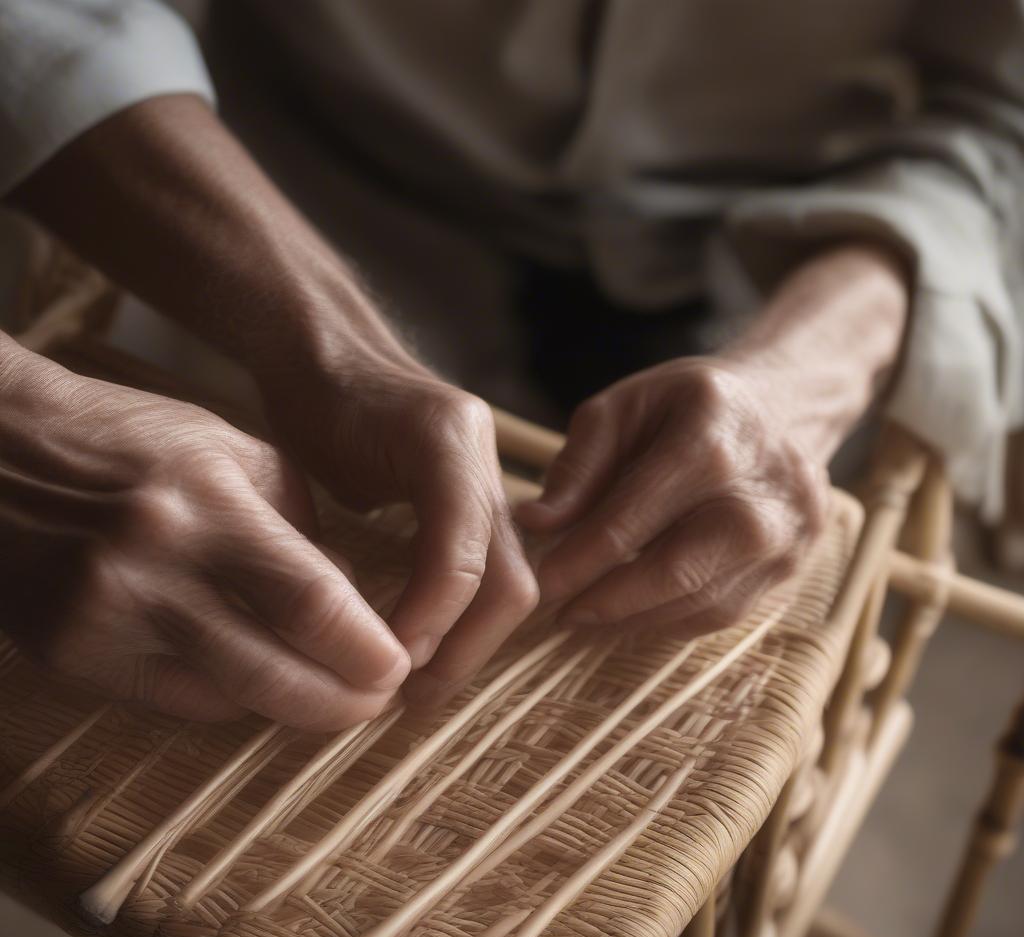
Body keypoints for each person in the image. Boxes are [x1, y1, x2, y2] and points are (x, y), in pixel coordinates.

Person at [0, 1, 1020, 731]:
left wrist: (807, 377)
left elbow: (1000, 125)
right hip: (240, 205)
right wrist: (327, 342)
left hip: (782, 282)